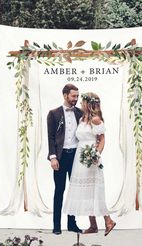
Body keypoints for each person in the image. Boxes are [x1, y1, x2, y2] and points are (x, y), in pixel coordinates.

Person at [63, 92, 116, 236]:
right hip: (80, 158)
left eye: (82, 102)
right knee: (85, 192)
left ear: (88, 104)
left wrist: (96, 154)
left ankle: (108, 220)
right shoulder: (82, 119)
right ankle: (93, 225)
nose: (80, 104)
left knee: (94, 191)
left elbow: (102, 139)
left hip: (91, 159)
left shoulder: (96, 119)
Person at [47, 84, 83, 235]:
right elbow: (51, 137)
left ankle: (72, 224)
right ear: (65, 95)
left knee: (74, 191)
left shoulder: (80, 113)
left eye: (77, 96)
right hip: (61, 158)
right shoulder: (53, 114)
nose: (76, 99)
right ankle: (56, 225)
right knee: (59, 190)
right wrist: (53, 157)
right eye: (73, 96)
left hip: (75, 156)